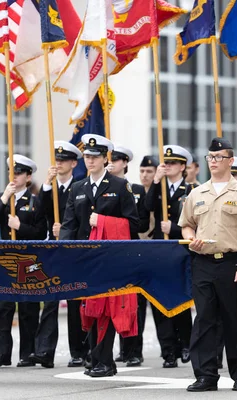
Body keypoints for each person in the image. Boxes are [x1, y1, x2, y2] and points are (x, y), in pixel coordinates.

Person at [180, 138, 237, 392]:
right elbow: (186, 224)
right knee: (205, 320)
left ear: (230, 161)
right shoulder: (197, 193)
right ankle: (205, 375)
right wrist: (190, 239)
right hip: (203, 262)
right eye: (210, 157)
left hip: (232, 263)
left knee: (235, 320)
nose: (214, 161)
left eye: (219, 157)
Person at [60, 134, 140, 377]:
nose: (90, 160)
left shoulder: (119, 186)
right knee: (90, 308)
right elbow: (69, 225)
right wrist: (63, 252)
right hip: (86, 258)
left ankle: (104, 361)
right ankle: (96, 358)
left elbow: (133, 224)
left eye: (95, 157)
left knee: (107, 307)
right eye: (87, 156)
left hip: (111, 258)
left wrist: (104, 221)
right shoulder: (77, 188)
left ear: (106, 159)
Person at [0, 155, 47, 368]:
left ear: (28, 176)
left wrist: (20, 227)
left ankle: (28, 353)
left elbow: (41, 233)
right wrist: (4, 199)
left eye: (19, 173)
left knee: (28, 308)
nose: (14, 177)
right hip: (8, 259)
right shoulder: (1, 197)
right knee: (4, 307)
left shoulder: (35, 201)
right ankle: (1, 353)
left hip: (28, 260)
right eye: (11, 172)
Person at [31, 141, 83, 369]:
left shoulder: (80, 187)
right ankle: (44, 352)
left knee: (74, 302)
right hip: (52, 250)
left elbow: (83, 220)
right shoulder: (48, 188)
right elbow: (36, 214)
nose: (59, 164)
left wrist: (66, 232)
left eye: (63, 160)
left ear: (73, 163)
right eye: (57, 160)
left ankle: (79, 352)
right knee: (50, 301)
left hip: (72, 250)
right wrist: (45, 184)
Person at [145, 145, 195, 368]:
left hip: (180, 249)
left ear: (183, 166)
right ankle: (168, 351)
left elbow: (197, 222)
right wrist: (156, 181)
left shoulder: (192, 190)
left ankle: (185, 343)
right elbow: (146, 208)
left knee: (181, 299)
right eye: (165, 163)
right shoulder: (159, 187)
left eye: (173, 163)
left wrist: (173, 228)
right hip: (159, 250)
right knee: (159, 300)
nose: (168, 166)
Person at [109, 145, 150, 368]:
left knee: (133, 301)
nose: (111, 163)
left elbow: (141, 222)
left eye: (116, 160)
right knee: (111, 300)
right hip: (109, 250)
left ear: (125, 163)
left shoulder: (136, 189)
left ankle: (134, 350)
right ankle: (119, 349)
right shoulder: (101, 188)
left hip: (130, 248)